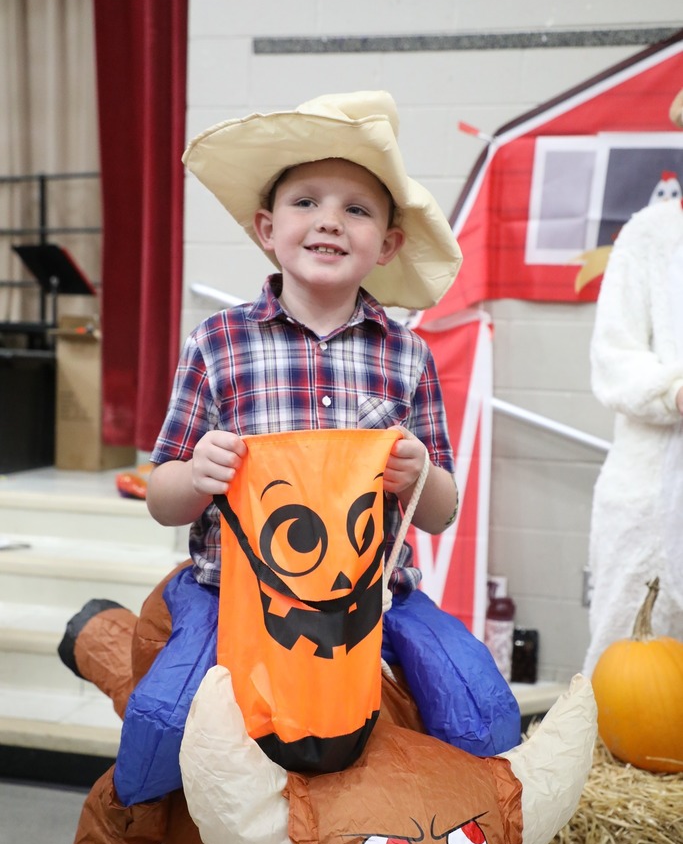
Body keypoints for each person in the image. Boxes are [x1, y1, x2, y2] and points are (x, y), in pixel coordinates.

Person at [113, 91, 521, 804]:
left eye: (357, 209)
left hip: (379, 597)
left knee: (481, 707)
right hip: (230, 594)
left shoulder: (408, 357)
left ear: (387, 244)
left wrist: (418, 472)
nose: (330, 220)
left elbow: (440, 512)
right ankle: (130, 831)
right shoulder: (219, 343)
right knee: (161, 719)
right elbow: (162, 498)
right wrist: (197, 473)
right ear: (268, 229)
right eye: (307, 202)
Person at [582, 88, 683, 676]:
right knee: (630, 660)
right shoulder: (648, 234)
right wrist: (673, 391)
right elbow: (613, 359)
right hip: (646, 493)